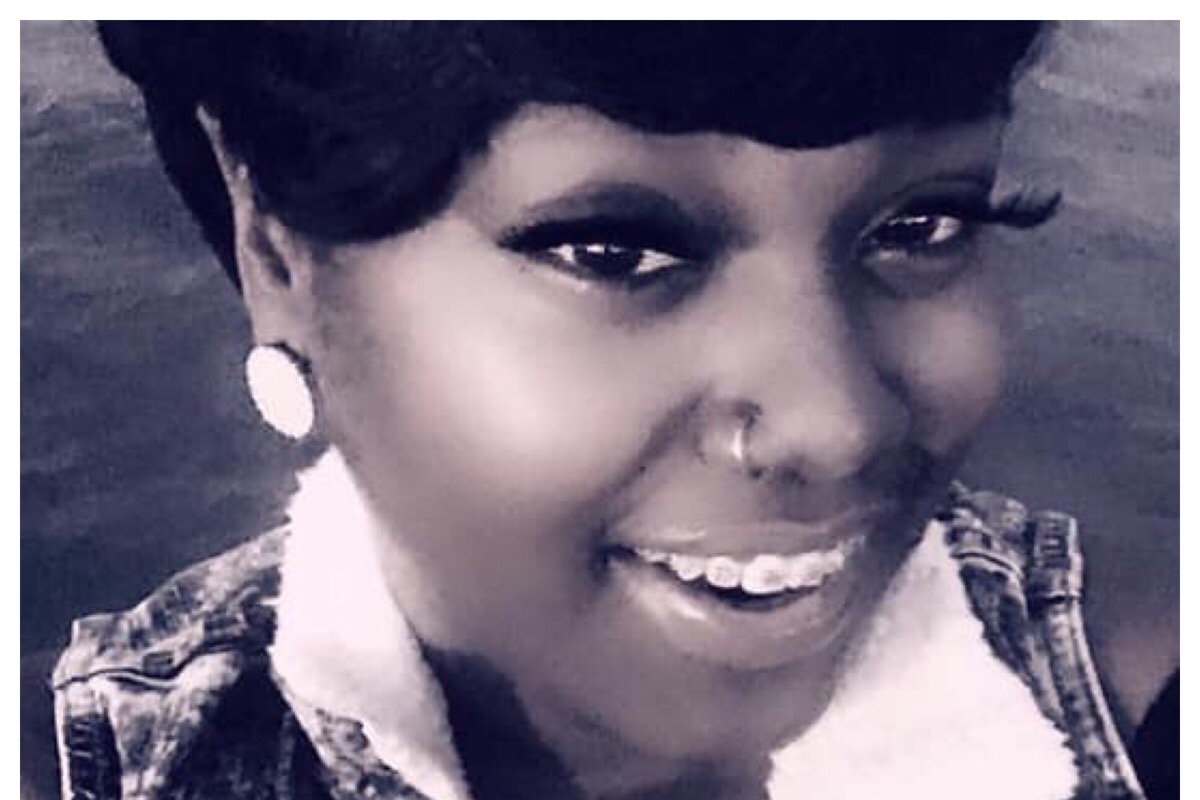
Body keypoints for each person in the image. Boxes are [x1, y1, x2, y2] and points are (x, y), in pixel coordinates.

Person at [46, 21, 1148, 800]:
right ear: (275, 247)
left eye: (924, 223)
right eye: (613, 250)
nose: (837, 422)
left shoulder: (1139, 696)